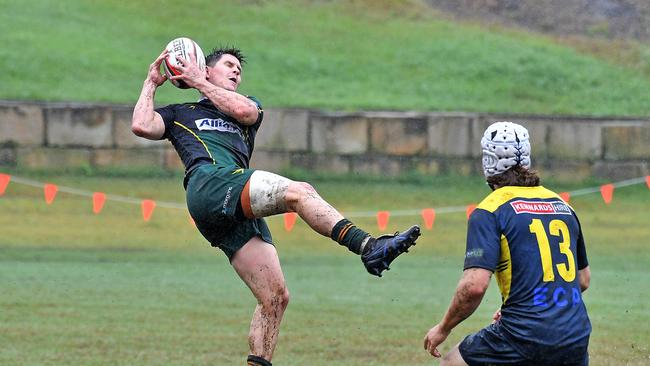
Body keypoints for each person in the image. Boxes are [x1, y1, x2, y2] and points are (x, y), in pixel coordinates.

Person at [131, 45, 421, 366]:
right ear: (206, 68)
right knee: (299, 192)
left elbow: (245, 113)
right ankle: (368, 246)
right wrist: (150, 82)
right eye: (228, 65)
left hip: (233, 198)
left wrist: (201, 82)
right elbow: (142, 125)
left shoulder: (246, 106)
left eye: (238, 70)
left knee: (274, 298)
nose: (236, 71)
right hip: (210, 184)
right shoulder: (180, 113)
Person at [423, 121, 591, 365]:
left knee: (451, 362)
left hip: (524, 336)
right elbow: (582, 279)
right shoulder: (563, 206)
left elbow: (474, 286)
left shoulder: (490, 210)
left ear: (488, 160)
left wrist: (443, 328)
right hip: (576, 337)